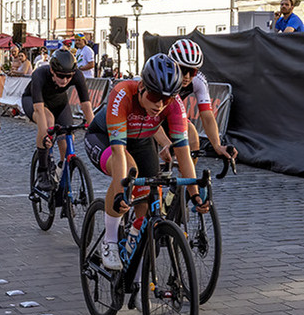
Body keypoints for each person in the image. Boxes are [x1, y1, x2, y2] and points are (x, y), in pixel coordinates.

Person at [84, 53, 196, 271]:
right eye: (155, 96)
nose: (161, 105)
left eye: (168, 98)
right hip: (104, 138)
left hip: (142, 141)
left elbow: (184, 154)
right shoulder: (123, 93)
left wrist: (196, 194)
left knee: (148, 196)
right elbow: (118, 153)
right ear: (143, 86)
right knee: (129, 171)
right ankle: (110, 241)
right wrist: (120, 193)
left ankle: (135, 254)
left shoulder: (174, 105)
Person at [21, 47, 96, 199]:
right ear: (52, 70)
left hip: (59, 103)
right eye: (61, 76)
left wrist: (96, 131)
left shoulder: (77, 75)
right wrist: (45, 135)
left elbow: (86, 106)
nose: (65, 80)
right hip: (34, 102)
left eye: (69, 77)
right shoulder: (39, 75)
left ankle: (62, 170)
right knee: (48, 121)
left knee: (67, 139)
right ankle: (42, 171)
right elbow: (40, 111)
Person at [163, 39, 236, 167]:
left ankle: (185, 182)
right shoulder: (162, 76)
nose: (187, 76)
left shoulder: (198, 81)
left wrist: (217, 146)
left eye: (192, 71)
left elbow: (207, 116)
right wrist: (165, 143)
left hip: (170, 115)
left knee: (192, 136)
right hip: (148, 117)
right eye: (183, 69)